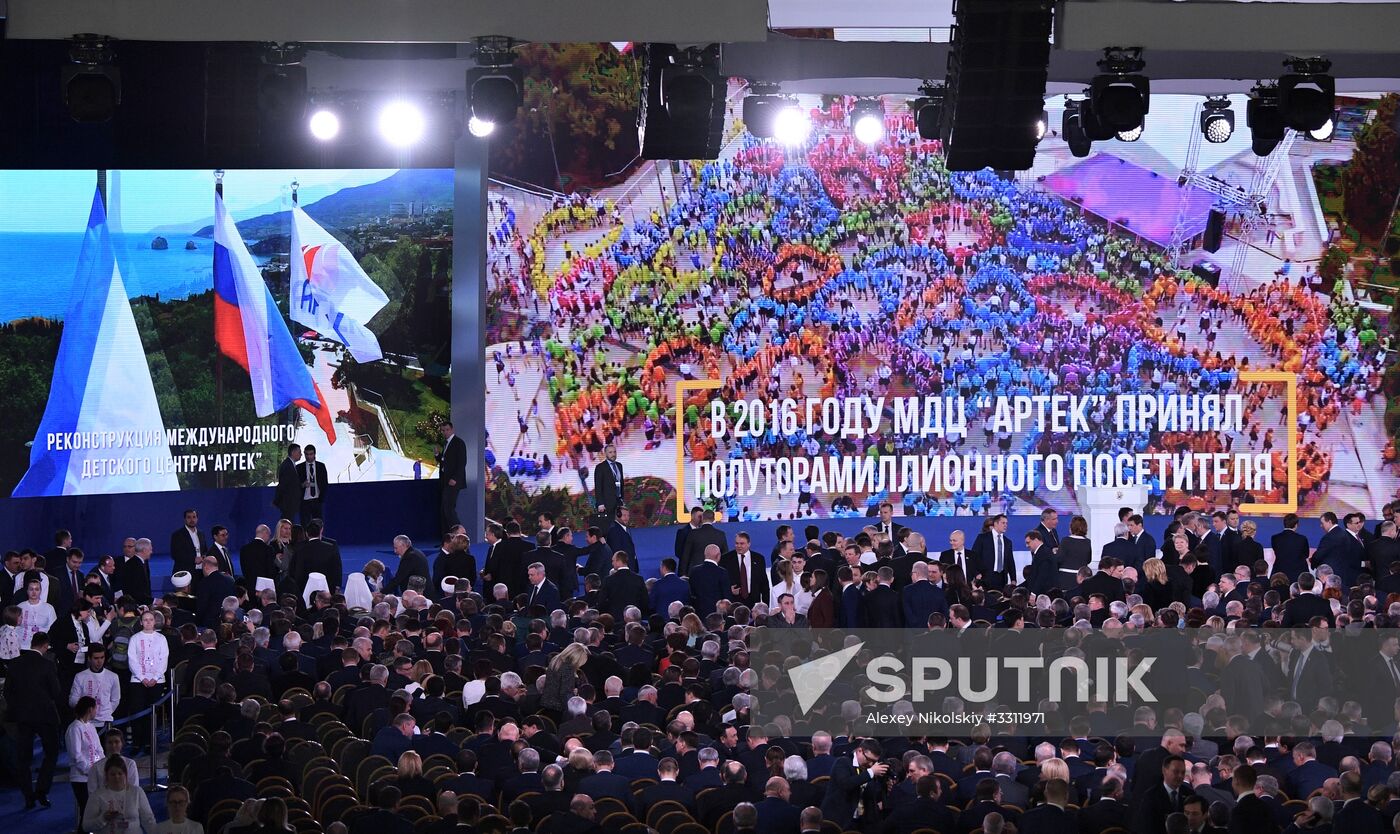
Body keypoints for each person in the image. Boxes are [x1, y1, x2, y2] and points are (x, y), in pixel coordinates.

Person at [7, 629, 62, 809]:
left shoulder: (14, 664)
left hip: (22, 717)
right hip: (45, 716)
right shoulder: (47, 664)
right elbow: (56, 692)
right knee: (52, 752)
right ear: (45, 646)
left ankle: (28, 797)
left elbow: (7, 692)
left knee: (23, 758)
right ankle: (42, 791)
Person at [84, 756, 158, 834]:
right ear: (106, 776)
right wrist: (103, 819)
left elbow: (148, 820)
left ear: (125, 775)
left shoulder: (137, 792)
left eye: (120, 773)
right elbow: (86, 826)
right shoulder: (97, 795)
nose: (117, 777)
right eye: (113, 774)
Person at [68, 695, 106, 830]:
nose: (97, 711)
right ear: (90, 709)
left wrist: (101, 768)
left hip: (94, 775)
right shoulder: (74, 728)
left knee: (94, 811)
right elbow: (76, 755)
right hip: (80, 777)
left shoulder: (90, 726)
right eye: (96, 708)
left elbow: (99, 750)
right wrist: (89, 770)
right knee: (86, 810)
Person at [435, 422, 467, 533]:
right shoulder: (447, 443)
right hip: (445, 480)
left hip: (452, 481)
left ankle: (459, 535)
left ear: (452, 429)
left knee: (448, 509)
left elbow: (462, 463)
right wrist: (437, 456)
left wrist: (455, 478)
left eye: (447, 430)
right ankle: (447, 538)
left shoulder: (458, 443)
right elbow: (446, 462)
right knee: (444, 510)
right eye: (443, 430)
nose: (445, 432)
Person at [297, 444, 330, 525]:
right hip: (305, 501)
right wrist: (302, 485)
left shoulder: (321, 466)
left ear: (314, 454)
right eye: (307, 454)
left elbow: (325, 483)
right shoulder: (299, 467)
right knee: (305, 525)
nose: (309, 456)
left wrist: (321, 499)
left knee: (318, 525)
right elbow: (295, 485)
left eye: (311, 454)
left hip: (317, 500)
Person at [274, 444, 304, 522]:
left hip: (291, 503)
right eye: (299, 452)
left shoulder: (291, 465)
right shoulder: (287, 466)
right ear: (293, 452)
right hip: (288, 503)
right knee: (287, 523)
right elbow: (284, 485)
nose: (301, 454)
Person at [593, 443, 624, 517]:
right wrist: (600, 503)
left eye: (614, 452)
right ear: (605, 454)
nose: (613, 454)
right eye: (610, 452)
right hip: (607, 503)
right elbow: (598, 486)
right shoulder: (600, 467)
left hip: (619, 501)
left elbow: (621, 482)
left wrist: (622, 498)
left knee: (619, 525)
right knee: (608, 525)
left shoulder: (619, 465)